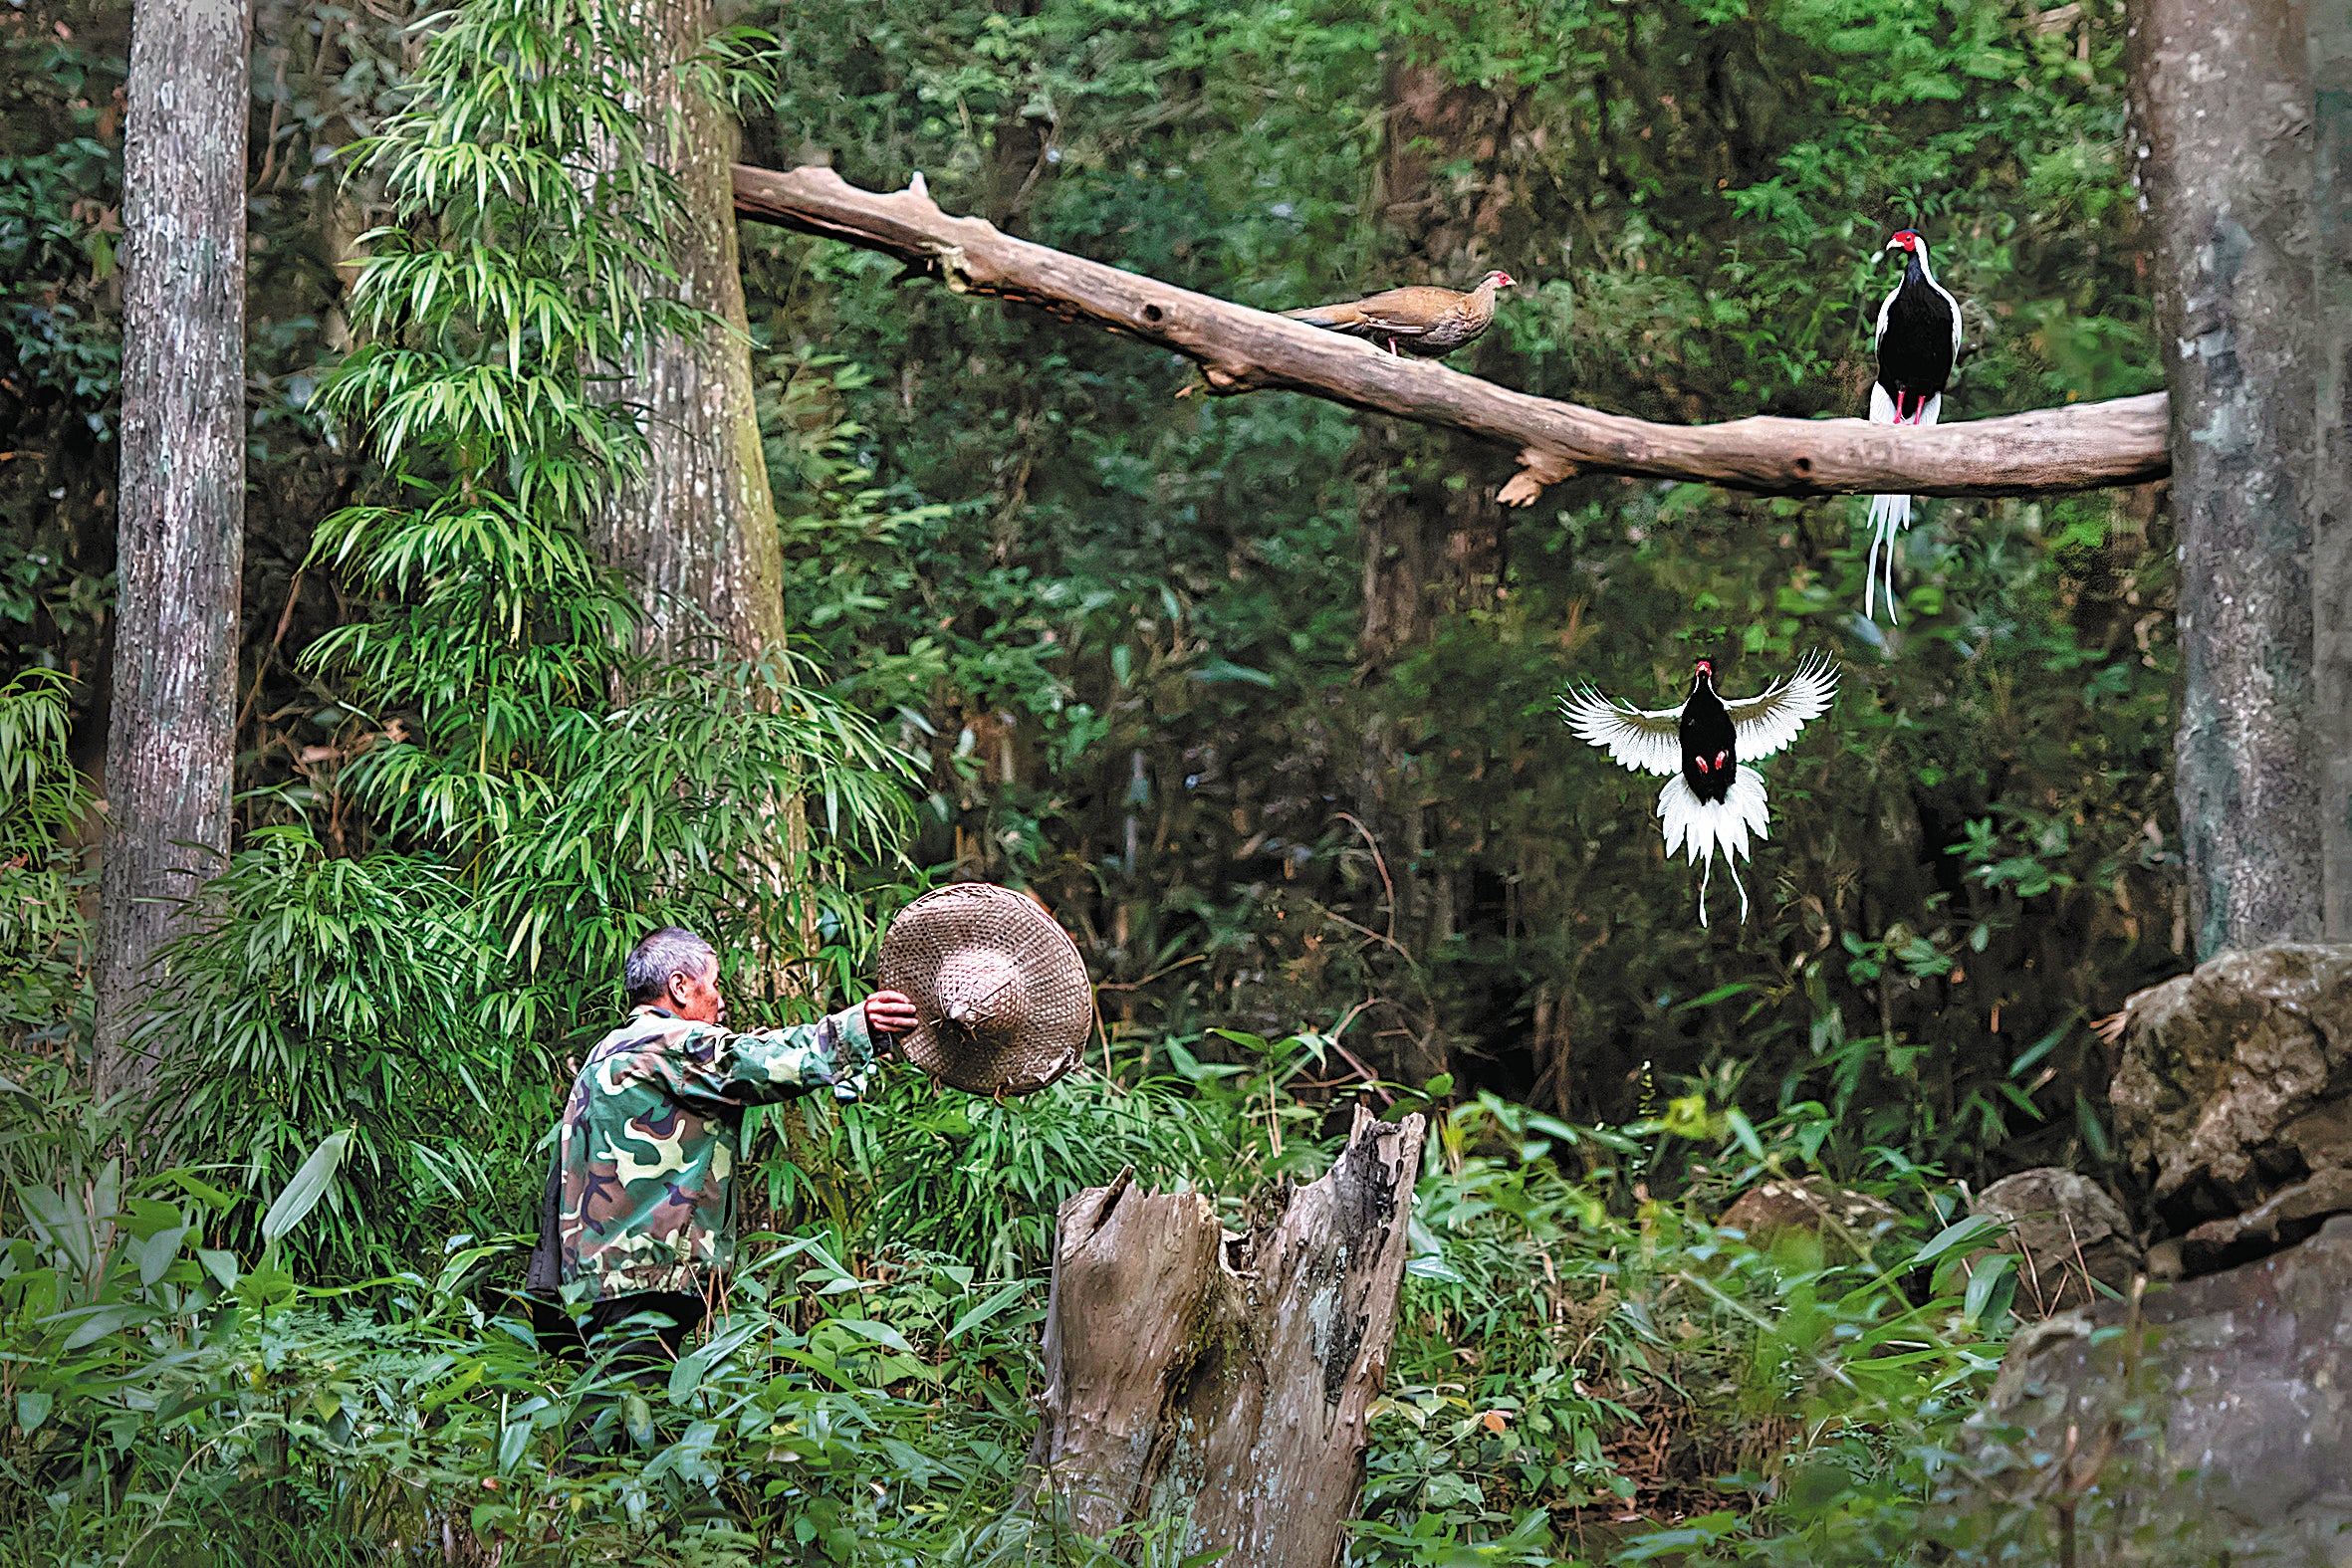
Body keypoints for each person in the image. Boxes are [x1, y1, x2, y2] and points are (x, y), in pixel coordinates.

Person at [525, 926, 920, 1371]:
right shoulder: (666, 1043)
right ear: (679, 986)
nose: (721, 1002)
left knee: (613, 1416)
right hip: (641, 1278)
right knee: (623, 1422)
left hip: (595, 1280)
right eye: (714, 984)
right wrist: (858, 1028)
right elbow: (750, 1060)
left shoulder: (605, 1053)